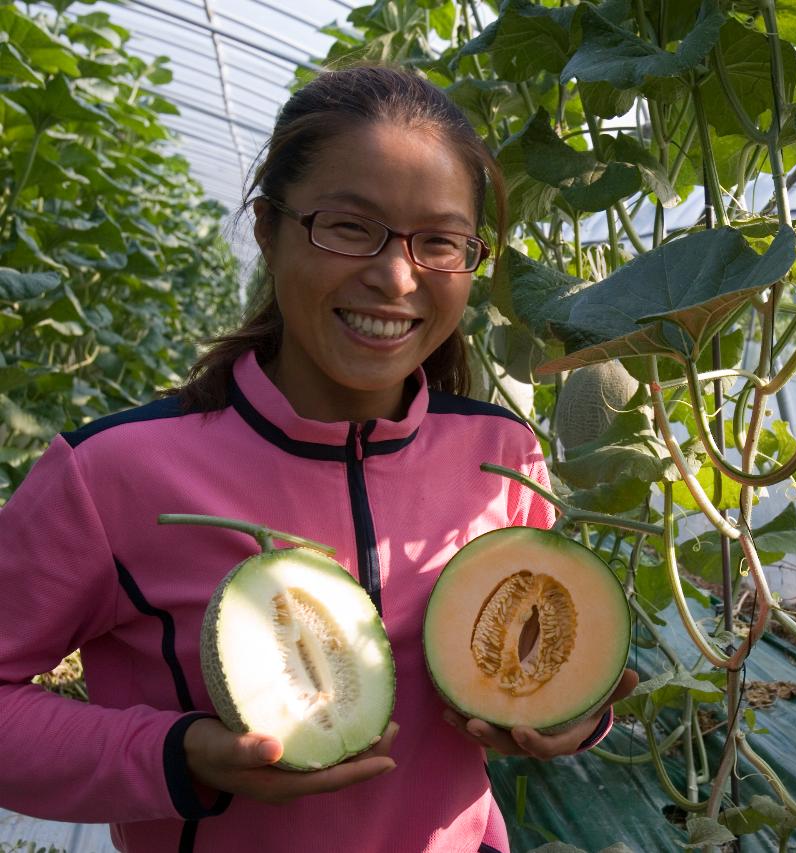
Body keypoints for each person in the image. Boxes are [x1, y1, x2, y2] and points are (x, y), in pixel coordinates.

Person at [0, 65, 637, 853]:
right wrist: (177, 754)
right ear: (269, 228)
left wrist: (573, 717)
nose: (396, 275)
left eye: (440, 242)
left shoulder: (503, 457)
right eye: (347, 225)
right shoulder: (110, 473)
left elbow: (542, 664)